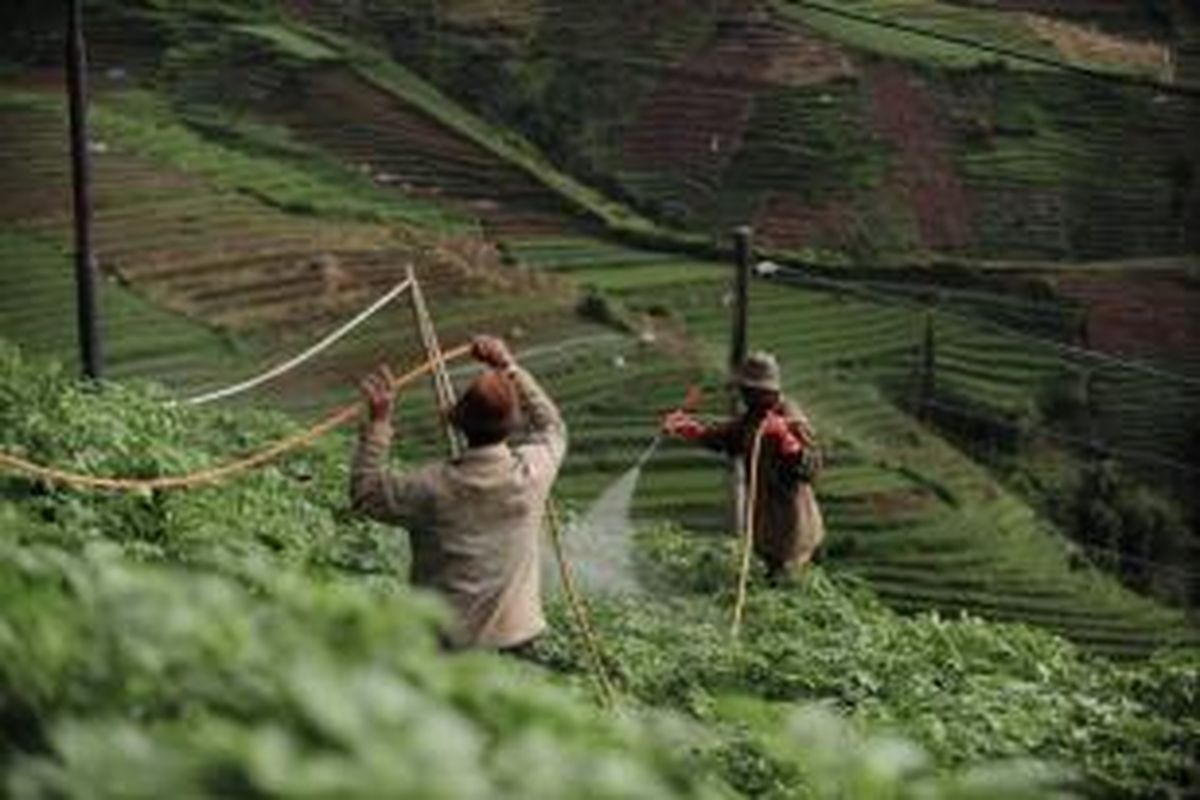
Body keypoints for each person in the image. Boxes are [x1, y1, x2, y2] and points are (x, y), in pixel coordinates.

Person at [350, 335, 566, 654]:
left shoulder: (430, 486)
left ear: (459, 423)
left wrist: (380, 424)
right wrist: (507, 366)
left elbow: (365, 495)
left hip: (445, 644)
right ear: (512, 424)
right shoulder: (531, 473)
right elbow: (552, 427)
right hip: (518, 640)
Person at [662, 351, 824, 583]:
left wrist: (787, 442)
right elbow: (729, 437)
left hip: (794, 530)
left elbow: (813, 468)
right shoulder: (754, 416)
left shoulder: (790, 417)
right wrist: (689, 429)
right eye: (744, 391)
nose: (745, 396)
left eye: (750, 391)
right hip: (766, 526)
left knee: (788, 587)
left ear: (768, 392)